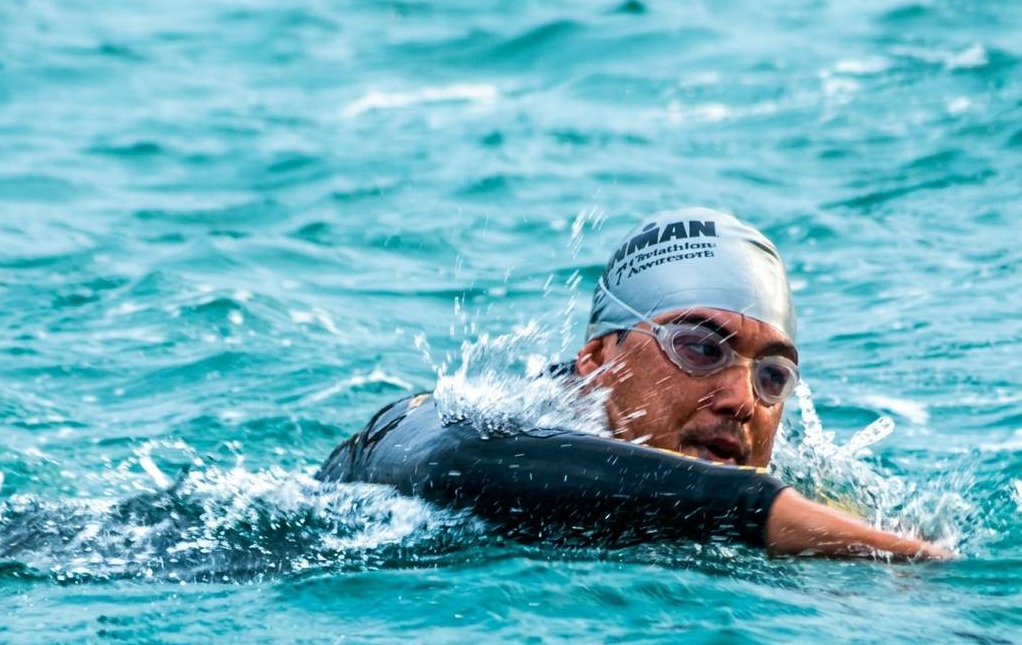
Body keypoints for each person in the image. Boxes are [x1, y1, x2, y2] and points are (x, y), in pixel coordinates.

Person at [318, 207, 949, 560]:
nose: (740, 402)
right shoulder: (465, 427)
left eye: (772, 376)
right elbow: (451, 465)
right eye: (700, 350)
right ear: (598, 359)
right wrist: (759, 513)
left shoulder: (810, 490)